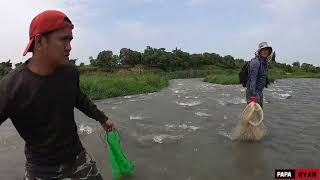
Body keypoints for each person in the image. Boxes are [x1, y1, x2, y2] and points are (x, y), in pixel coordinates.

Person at [0, 10, 114, 179]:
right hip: (41, 170)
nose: (69, 47)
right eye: (63, 39)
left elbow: (77, 97)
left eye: (70, 39)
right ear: (39, 41)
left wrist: (102, 118)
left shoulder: (70, 72)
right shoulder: (11, 87)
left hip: (78, 158)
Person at [246, 42, 273, 109]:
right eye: (263, 50)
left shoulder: (265, 63)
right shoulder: (255, 62)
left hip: (260, 92)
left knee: (259, 114)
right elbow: (253, 80)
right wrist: (253, 97)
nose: (265, 51)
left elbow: (263, 76)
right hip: (253, 93)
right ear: (259, 51)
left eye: (267, 50)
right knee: (253, 115)